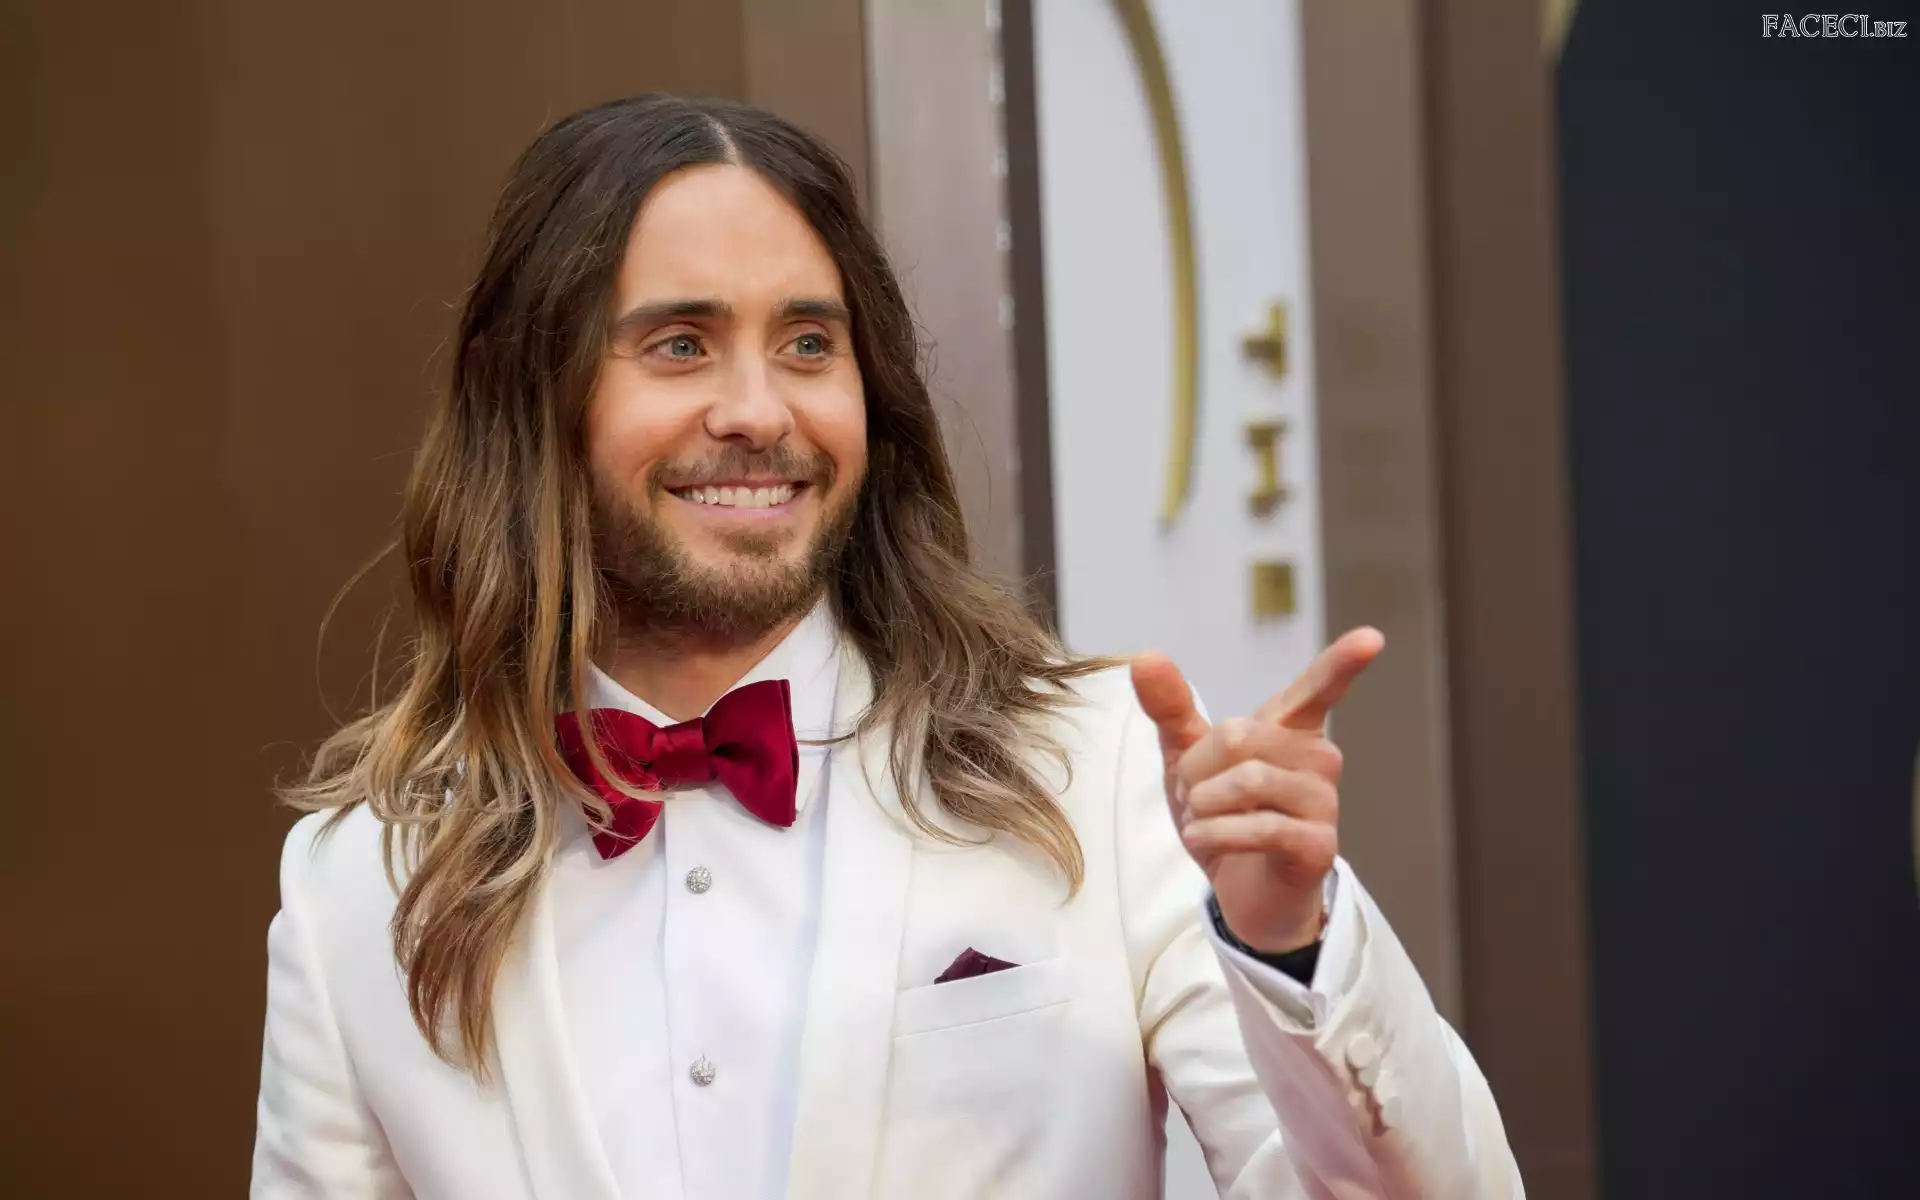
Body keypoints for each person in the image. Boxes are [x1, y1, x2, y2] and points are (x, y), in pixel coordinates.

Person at [250, 94, 1520, 1199]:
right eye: (681, 345)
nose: (759, 412)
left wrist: (1287, 941)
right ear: (531, 391)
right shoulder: (357, 886)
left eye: (808, 344)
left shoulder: (1096, 771)